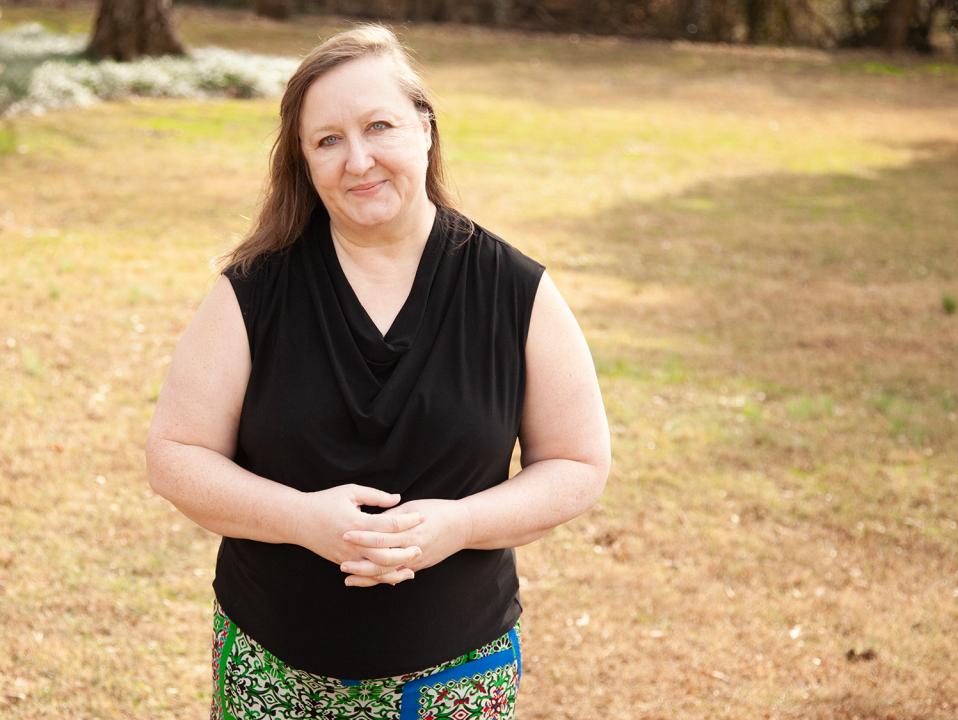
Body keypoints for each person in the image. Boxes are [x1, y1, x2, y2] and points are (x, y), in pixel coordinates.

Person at [145, 23, 611, 720]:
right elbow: (175, 456)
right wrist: (302, 520)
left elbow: (577, 463)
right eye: (328, 140)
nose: (358, 160)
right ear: (303, 162)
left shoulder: (515, 290)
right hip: (272, 673)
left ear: (425, 128)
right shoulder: (254, 291)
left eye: (379, 126)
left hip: (456, 677)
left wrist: (459, 524)